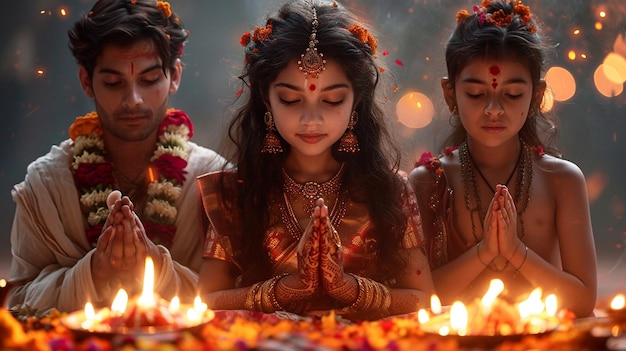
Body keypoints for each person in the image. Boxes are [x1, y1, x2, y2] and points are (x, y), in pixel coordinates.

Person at [197, 0, 435, 321]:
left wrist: (350, 289)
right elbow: (206, 301)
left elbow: (424, 299)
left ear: (356, 102)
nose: (311, 119)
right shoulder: (235, 193)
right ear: (266, 98)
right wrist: (283, 291)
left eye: (332, 100)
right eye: (291, 100)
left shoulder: (389, 190)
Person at [8, 0, 226, 314]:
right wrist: (94, 270)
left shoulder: (214, 182)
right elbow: (17, 302)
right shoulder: (46, 186)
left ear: (174, 76)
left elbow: (234, 300)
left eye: (150, 80)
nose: (133, 100)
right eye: (113, 83)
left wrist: (155, 266)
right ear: (87, 82)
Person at [408, 0, 596, 317]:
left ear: (537, 96)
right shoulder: (427, 181)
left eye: (511, 95)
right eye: (476, 94)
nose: (493, 110)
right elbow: (421, 298)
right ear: (450, 94)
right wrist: (485, 252)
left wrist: (515, 251)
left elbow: (582, 300)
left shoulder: (562, 181)